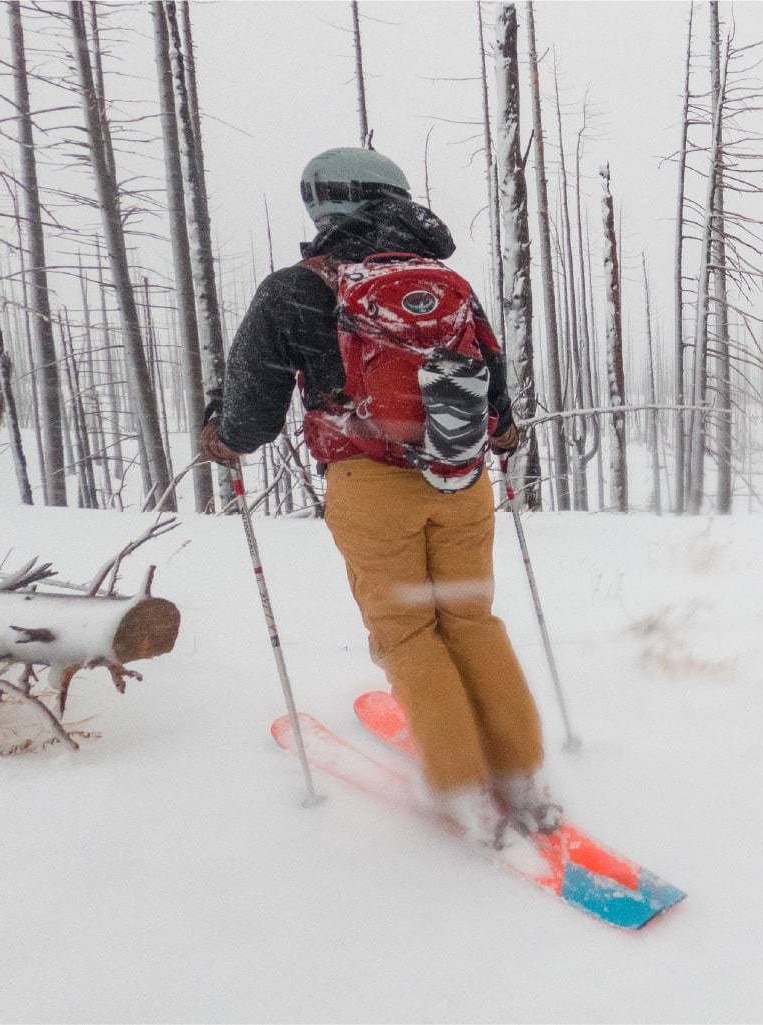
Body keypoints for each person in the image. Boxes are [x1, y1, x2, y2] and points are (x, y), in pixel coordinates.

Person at [197, 147, 558, 847]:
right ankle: (522, 778)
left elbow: (250, 417)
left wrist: (222, 437)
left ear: (322, 207)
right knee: (472, 621)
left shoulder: (295, 290)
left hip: (368, 486)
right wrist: (502, 438)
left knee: (409, 632)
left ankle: (461, 787)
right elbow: (496, 390)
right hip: (459, 481)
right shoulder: (443, 281)